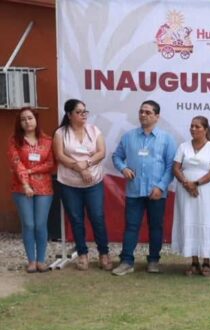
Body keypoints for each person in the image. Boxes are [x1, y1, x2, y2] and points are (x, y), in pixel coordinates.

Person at [111, 100, 177, 276]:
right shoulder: (129, 137)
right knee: (131, 226)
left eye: (148, 112)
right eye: (141, 111)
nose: (143, 115)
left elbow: (171, 166)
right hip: (134, 190)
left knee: (156, 227)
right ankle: (126, 261)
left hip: (156, 192)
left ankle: (154, 261)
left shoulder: (167, 139)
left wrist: (161, 187)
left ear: (157, 116)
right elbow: (116, 156)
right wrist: (123, 168)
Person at [52, 99, 110, 271]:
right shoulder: (61, 133)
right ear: (69, 115)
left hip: (93, 182)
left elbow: (101, 152)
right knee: (76, 219)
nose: (83, 115)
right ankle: (82, 254)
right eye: (79, 112)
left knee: (97, 217)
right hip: (69, 184)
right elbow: (60, 156)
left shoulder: (94, 130)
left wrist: (87, 164)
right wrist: (79, 168)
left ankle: (104, 253)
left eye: (85, 111)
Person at [171, 115, 210, 276]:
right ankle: (194, 262)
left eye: (197, 127)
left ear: (206, 129)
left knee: (206, 219)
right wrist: (187, 184)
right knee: (189, 219)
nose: (193, 129)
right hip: (185, 190)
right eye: (192, 126)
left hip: (206, 191)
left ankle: (206, 261)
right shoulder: (183, 147)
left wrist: (196, 184)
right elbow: (176, 168)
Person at [7, 107, 55, 273]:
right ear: (19, 123)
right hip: (21, 188)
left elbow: (50, 164)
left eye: (30, 118)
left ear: (36, 120)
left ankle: (41, 260)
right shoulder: (15, 141)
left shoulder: (47, 140)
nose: (27, 122)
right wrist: (26, 183)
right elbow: (16, 164)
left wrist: (32, 171)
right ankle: (31, 261)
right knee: (28, 224)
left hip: (44, 188)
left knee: (41, 224)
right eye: (23, 119)